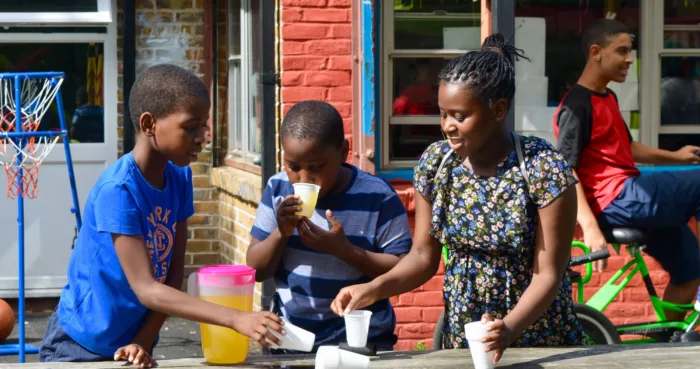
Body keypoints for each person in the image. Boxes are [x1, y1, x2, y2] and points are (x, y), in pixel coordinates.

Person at [330, 34, 585, 363]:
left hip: (536, 338)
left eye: (460, 116)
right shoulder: (437, 165)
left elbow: (548, 274)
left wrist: (508, 329)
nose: (447, 126)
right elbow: (423, 257)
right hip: (464, 336)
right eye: (442, 114)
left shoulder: (542, 168)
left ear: (498, 109)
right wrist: (374, 288)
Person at [39, 64, 284, 367]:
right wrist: (234, 318)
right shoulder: (118, 190)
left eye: (203, 126)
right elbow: (147, 288)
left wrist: (142, 340)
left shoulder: (179, 177)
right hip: (80, 344)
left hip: (135, 340)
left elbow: (172, 274)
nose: (201, 137)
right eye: (190, 127)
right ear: (149, 124)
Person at [553, 19, 700, 324]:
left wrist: (676, 156)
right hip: (617, 199)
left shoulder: (607, 97)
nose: (630, 59)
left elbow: (628, 149)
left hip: (629, 193)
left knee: (690, 272)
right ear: (596, 52)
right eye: (622, 51)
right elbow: (565, 171)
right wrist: (590, 229)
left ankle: (666, 340)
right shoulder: (576, 106)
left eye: (630, 51)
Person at [246, 100, 412, 353]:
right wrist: (281, 232)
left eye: (316, 167)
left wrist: (343, 250)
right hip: (292, 338)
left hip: (361, 340)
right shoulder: (278, 189)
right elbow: (256, 270)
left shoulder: (377, 196)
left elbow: (403, 270)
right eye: (293, 167)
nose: (303, 179)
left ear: (343, 151)